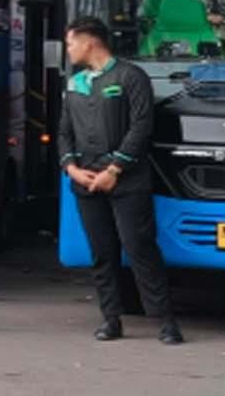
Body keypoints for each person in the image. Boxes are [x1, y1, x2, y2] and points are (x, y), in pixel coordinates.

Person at [61, 17, 183, 345]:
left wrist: (114, 170)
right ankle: (110, 318)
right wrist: (71, 168)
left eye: (71, 42)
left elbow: (141, 126)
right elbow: (64, 132)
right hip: (86, 181)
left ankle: (165, 321)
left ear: (90, 42)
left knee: (139, 246)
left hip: (125, 181)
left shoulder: (131, 76)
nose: (68, 49)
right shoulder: (75, 83)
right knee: (102, 252)